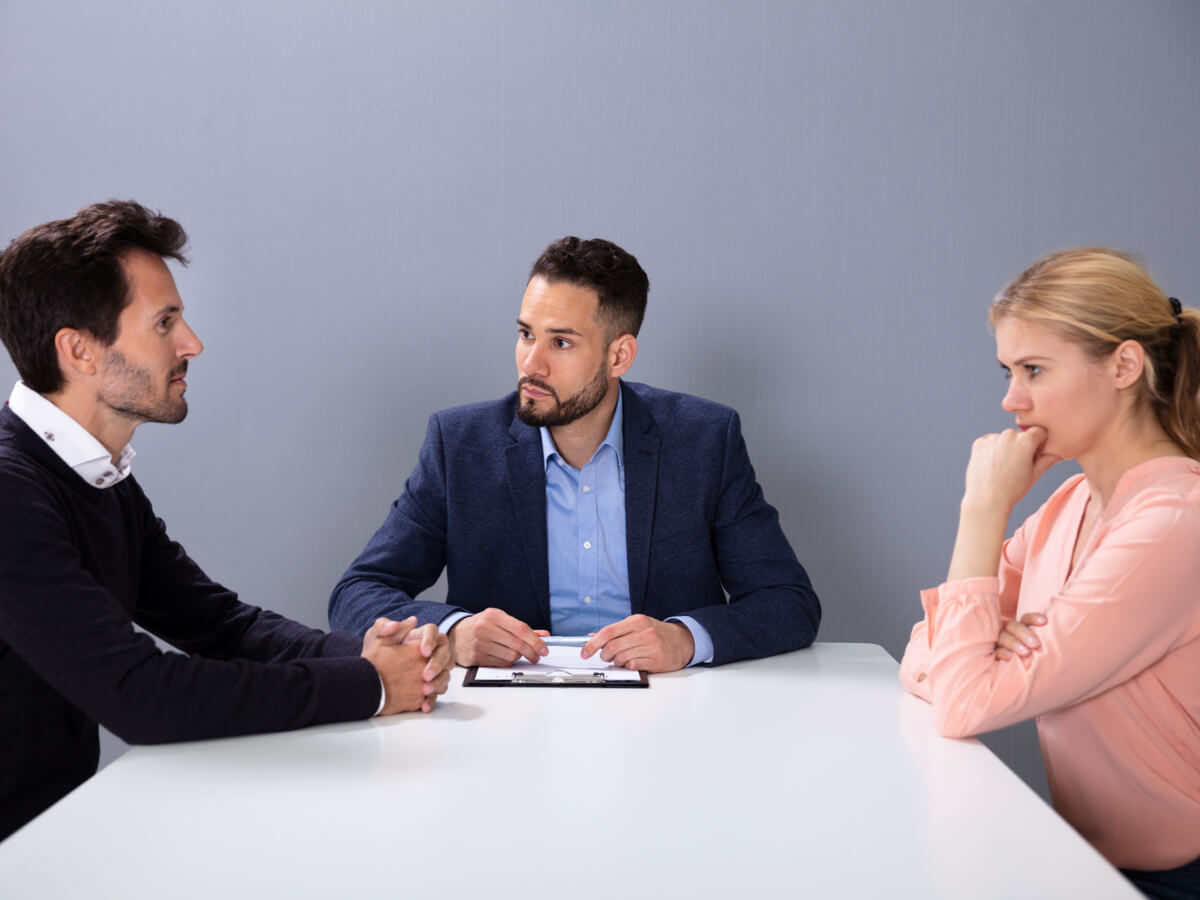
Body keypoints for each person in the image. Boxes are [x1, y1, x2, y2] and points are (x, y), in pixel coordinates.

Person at [0, 201, 452, 842]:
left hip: (50, 844)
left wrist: (380, 656)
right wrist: (368, 684)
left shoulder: (96, 477)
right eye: (165, 323)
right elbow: (141, 695)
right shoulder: (11, 492)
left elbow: (219, 626)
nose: (193, 344)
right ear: (79, 351)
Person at [329, 236, 819, 672]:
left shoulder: (704, 440)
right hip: (502, 725)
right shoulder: (460, 444)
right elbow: (356, 593)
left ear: (619, 356)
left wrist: (687, 639)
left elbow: (789, 603)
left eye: (560, 342)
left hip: (669, 718)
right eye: (526, 334)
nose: (531, 364)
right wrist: (454, 629)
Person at [899, 248, 1200, 896]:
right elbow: (925, 657)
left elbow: (962, 701)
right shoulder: (1070, 503)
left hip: (1176, 878)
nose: (1011, 400)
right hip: (1093, 864)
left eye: (1034, 370)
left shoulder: (1174, 524)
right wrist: (975, 656)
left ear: (1124, 365)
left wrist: (982, 510)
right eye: (1008, 371)